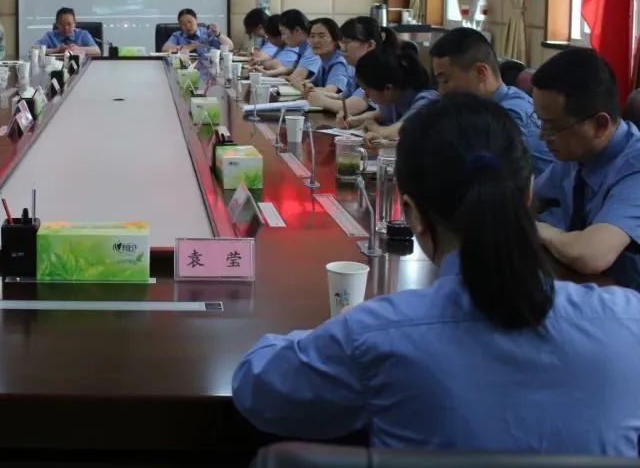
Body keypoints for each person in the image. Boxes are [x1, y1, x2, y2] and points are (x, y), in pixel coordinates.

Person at [232, 94, 640, 454]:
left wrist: (339, 328)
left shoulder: (376, 335)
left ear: (412, 215)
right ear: (529, 193)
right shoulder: (629, 320)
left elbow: (256, 387)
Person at [532, 48, 640, 290]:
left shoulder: (635, 167)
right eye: (541, 122)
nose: (542, 136)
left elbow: (591, 255)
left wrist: (536, 229)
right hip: (585, 289)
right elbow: (532, 199)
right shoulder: (576, 150)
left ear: (599, 125)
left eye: (552, 127)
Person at [429, 27, 553, 175]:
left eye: (445, 81)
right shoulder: (507, 98)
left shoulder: (506, 118)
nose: (441, 91)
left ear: (480, 72)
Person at [346, 41, 437, 143]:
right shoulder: (394, 96)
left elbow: (396, 132)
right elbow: (381, 114)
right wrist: (357, 120)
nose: (366, 95)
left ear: (388, 89)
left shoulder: (426, 101)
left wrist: (372, 126)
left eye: (367, 89)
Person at [306, 16, 396, 116]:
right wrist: (316, 93)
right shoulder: (359, 69)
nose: (342, 48)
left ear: (370, 45)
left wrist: (322, 101)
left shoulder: (377, 70)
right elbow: (343, 96)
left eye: (347, 42)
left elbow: (350, 107)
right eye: (342, 42)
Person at [254, 10, 320, 81]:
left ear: (297, 30)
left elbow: (296, 78)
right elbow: (293, 68)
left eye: (283, 33)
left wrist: (284, 77)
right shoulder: (302, 46)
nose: (282, 38)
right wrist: (268, 73)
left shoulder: (312, 47)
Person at [299, 18, 353, 97]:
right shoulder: (325, 61)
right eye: (312, 36)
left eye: (322, 37)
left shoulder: (339, 62)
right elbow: (309, 83)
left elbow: (330, 91)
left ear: (336, 40)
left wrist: (305, 87)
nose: (315, 40)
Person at [161, 8, 234, 55]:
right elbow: (164, 49)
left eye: (190, 22)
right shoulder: (177, 35)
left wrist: (218, 34)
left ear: (196, 20)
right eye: (183, 24)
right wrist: (190, 47)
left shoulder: (207, 33)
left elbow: (230, 47)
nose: (187, 26)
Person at [36, 7, 102, 56]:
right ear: (56, 24)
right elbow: (35, 50)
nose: (66, 28)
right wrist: (56, 50)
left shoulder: (83, 34)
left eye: (69, 24)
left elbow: (97, 51)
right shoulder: (50, 36)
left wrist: (79, 49)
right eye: (62, 24)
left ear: (74, 23)